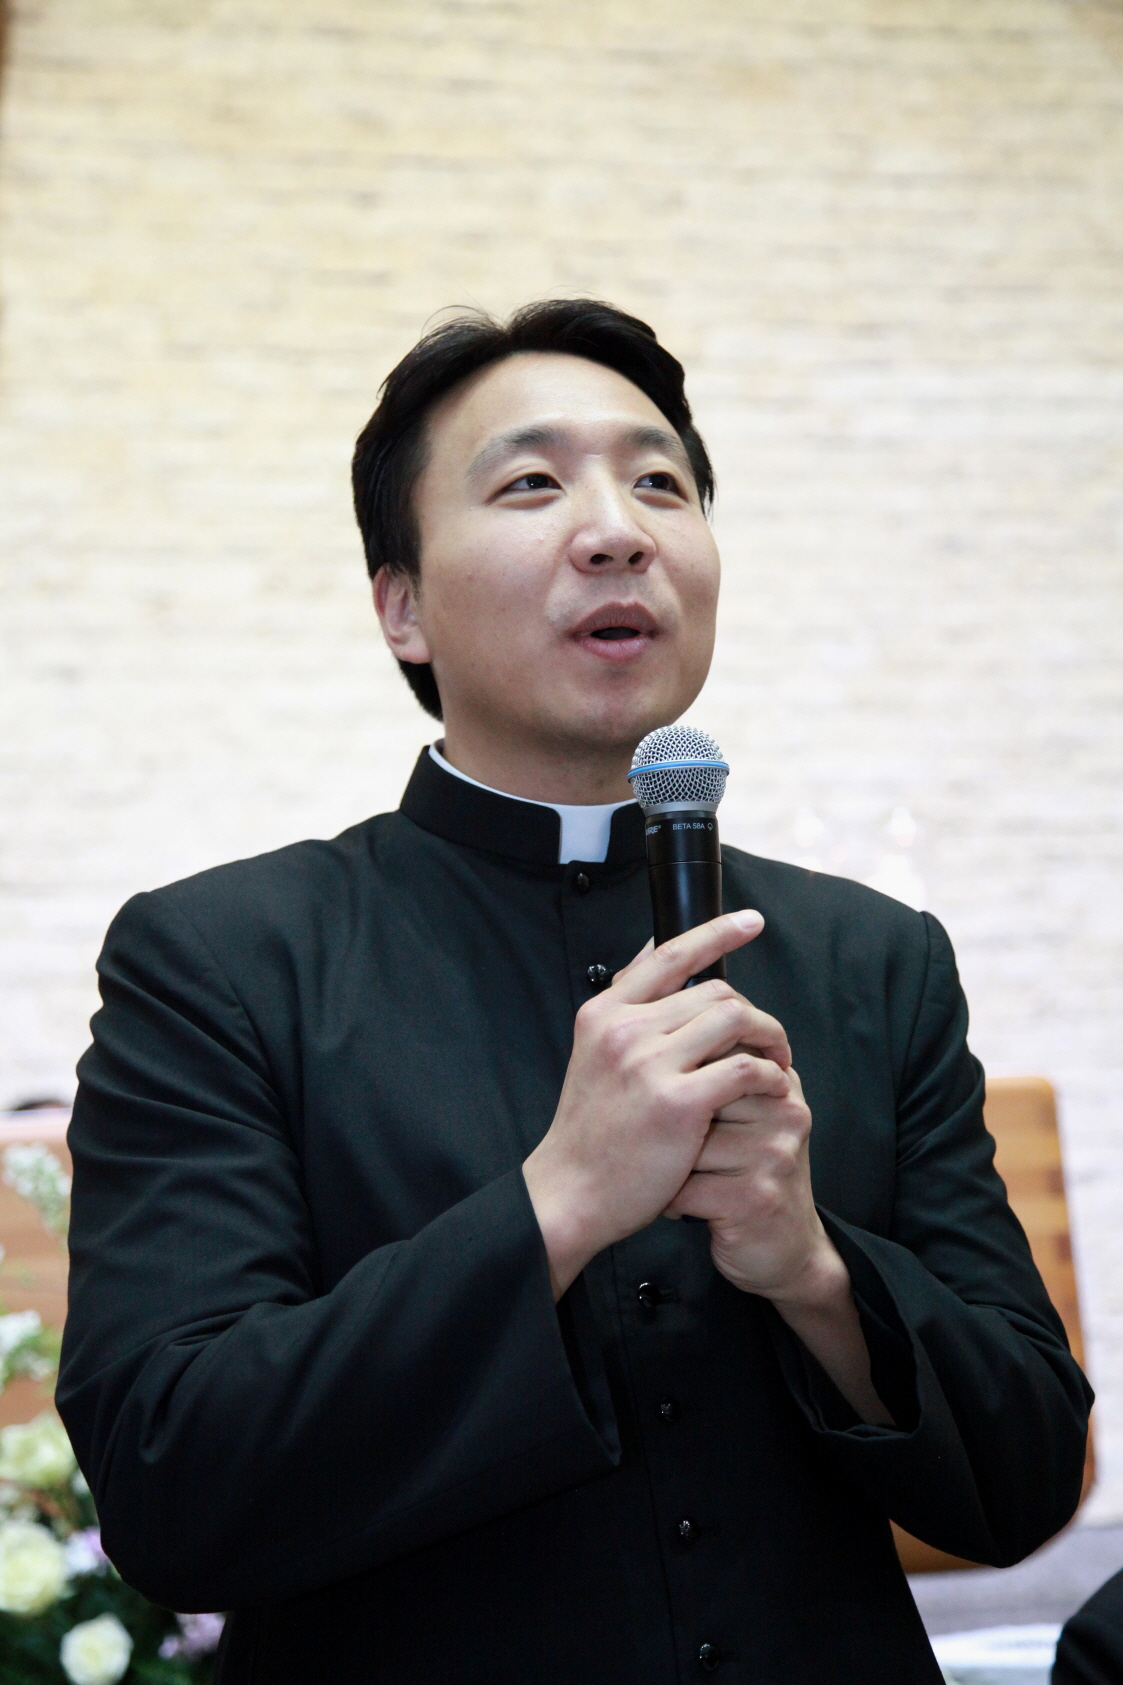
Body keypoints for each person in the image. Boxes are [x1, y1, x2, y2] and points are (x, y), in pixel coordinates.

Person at [57, 300, 1091, 1684]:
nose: (618, 531)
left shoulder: (876, 958)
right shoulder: (223, 959)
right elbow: (172, 1486)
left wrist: (813, 1268)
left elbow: (1027, 1482)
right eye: (533, 484)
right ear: (401, 606)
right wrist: (558, 1202)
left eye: (660, 483)